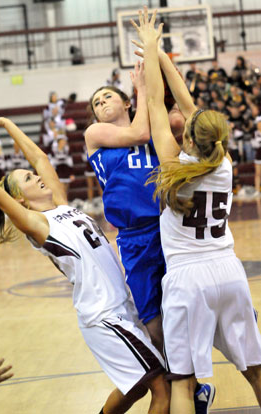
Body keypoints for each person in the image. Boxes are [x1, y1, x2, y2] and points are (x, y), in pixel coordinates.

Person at [0, 117, 170, 414]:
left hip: (121, 306)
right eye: (28, 179)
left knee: (134, 388)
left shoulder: (61, 204)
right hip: (103, 314)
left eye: (32, 174)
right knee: (162, 389)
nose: (36, 175)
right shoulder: (37, 224)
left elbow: (40, 157)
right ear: (19, 199)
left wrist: (6, 124)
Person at [132, 7, 261, 413]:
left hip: (189, 280)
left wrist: (152, 50)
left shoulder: (172, 167)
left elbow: (156, 100)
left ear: (186, 133)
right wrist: (161, 56)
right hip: (228, 271)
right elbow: (189, 104)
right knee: (256, 370)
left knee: (184, 385)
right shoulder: (223, 165)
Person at [85, 60, 185, 353]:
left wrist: (164, 71)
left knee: (182, 302)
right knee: (150, 313)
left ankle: (189, 376)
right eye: (96, 102)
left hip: (167, 226)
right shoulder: (95, 135)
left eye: (108, 97)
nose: (101, 103)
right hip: (133, 236)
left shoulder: (155, 127)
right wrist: (142, 88)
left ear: (126, 103)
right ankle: (176, 376)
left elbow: (178, 121)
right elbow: (138, 134)